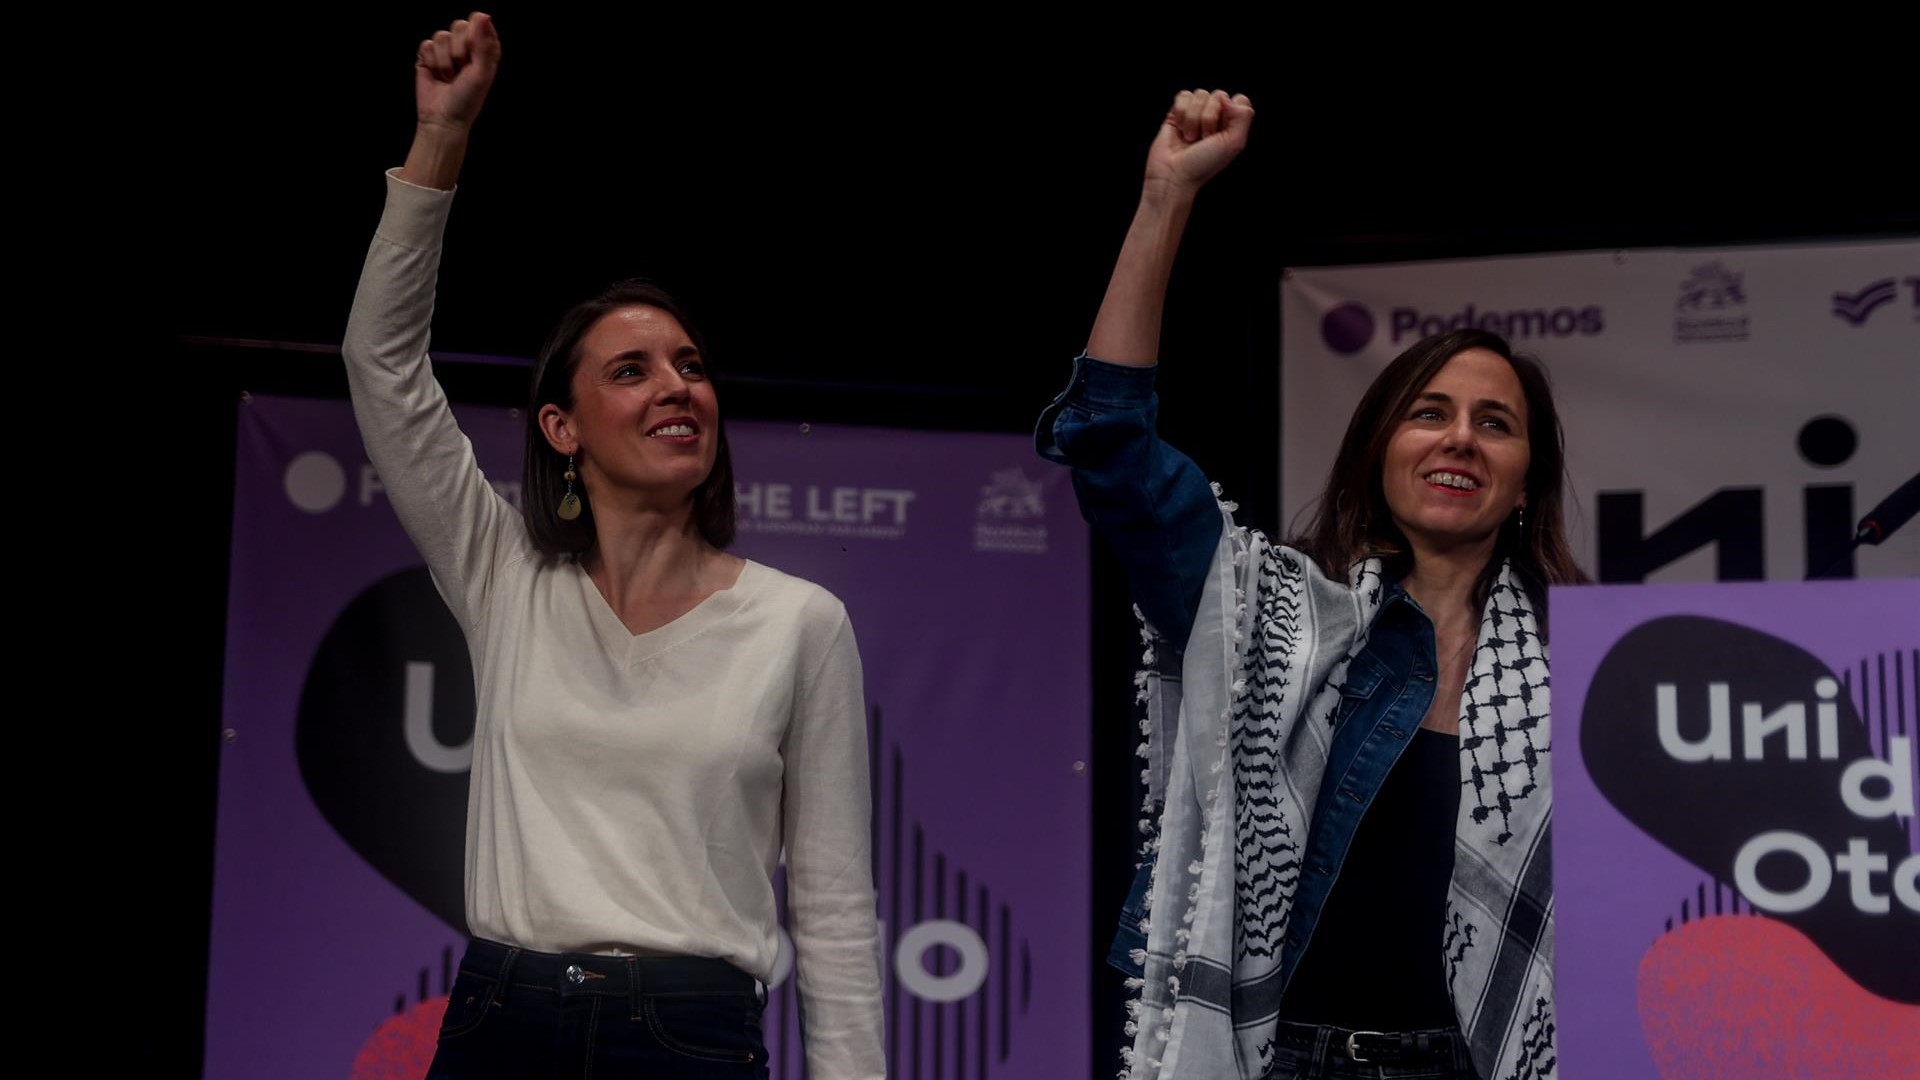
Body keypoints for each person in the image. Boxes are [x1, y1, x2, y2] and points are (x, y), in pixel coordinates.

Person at [342, 13, 886, 1077]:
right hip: (503, 1018)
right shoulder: (505, 576)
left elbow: (832, 906)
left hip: (691, 1036)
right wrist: (439, 145)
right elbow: (383, 367)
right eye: (631, 371)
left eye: (689, 365)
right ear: (562, 428)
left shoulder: (798, 623)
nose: (677, 385)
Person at [1037, 88, 1584, 1080]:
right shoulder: (1272, 618)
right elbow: (1111, 449)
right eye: (1430, 412)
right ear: (1380, 449)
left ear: (1524, 485)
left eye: (1495, 423)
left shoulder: (1591, 669)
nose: (1460, 436)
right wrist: (1165, 195)